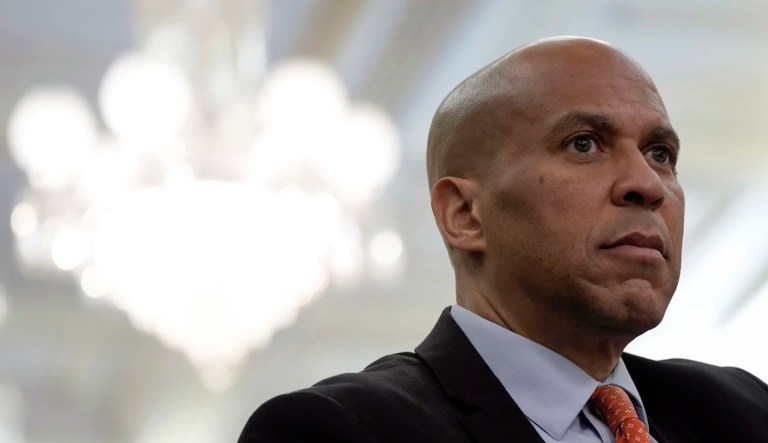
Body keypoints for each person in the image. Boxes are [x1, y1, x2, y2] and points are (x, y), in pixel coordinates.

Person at [238, 36, 768, 442]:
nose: (647, 184)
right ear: (465, 215)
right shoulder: (337, 430)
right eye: (584, 144)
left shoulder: (742, 411)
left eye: (660, 154)